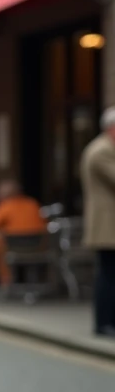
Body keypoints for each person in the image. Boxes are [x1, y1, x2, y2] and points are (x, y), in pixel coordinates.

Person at [80, 106, 115, 336]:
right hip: (107, 225)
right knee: (108, 275)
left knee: (109, 273)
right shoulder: (101, 151)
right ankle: (104, 323)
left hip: (108, 225)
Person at [0, 179, 47, 290]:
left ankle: (6, 282)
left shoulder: (5, 206)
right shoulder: (32, 203)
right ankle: (40, 279)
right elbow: (44, 225)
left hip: (13, 249)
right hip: (38, 248)